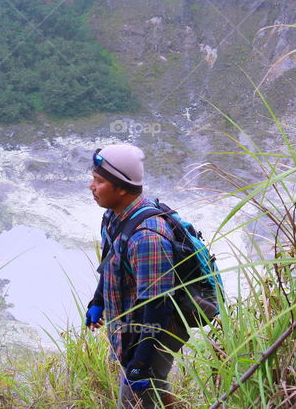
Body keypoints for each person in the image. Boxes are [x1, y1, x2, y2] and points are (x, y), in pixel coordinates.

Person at [85, 143, 188, 409]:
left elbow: (157, 306)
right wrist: (98, 301)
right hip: (132, 330)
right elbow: (110, 263)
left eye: (99, 181)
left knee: (135, 401)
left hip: (149, 339)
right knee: (158, 389)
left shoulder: (147, 238)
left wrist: (140, 365)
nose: (91, 186)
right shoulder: (113, 216)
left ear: (121, 188)